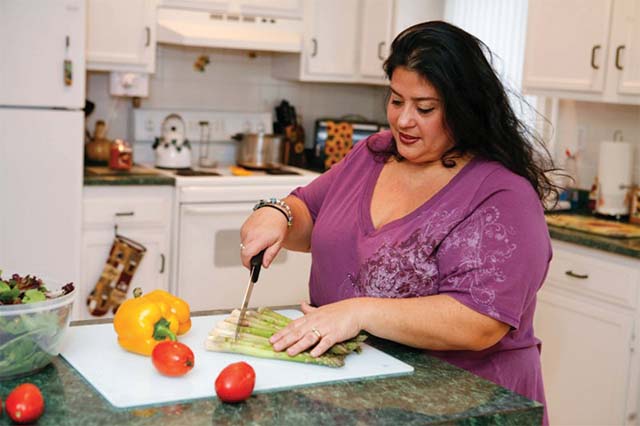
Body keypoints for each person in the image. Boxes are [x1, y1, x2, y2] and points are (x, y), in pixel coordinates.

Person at [240, 21, 558, 425]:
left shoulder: (502, 195)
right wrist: (278, 214)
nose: (404, 120)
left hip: (467, 404)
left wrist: (357, 312)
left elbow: (480, 321)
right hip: (365, 392)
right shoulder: (373, 153)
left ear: (465, 108)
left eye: (425, 108)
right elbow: (312, 213)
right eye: (396, 100)